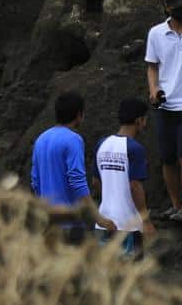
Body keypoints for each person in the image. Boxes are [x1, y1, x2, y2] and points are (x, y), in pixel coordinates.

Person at [144, 0, 182, 222]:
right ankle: (175, 204)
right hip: (166, 104)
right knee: (167, 157)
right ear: (167, 9)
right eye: (177, 8)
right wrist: (154, 90)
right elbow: (152, 66)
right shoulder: (156, 34)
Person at [95, 99, 152, 257]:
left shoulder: (102, 144)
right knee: (130, 276)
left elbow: (96, 181)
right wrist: (146, 221)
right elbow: (135, 186)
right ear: (139, 120)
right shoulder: (135, 149)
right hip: (128, 226)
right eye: (145, 119)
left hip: (103, 222)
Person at [29, 92, 96, 225]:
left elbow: (35, 182)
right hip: (70, 221)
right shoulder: (73, 140)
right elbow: (77, 181)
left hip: (47, 220)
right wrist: (96, 215)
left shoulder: (41, 139)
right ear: (79, 115)